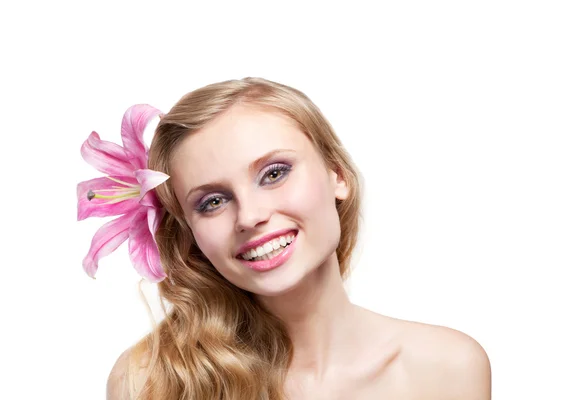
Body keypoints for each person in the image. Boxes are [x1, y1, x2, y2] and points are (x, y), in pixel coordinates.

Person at [82, 77, 490, 399]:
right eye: (213, 201)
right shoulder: (149, 382)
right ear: (189, 233)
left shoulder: (447, 369)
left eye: (274, 173)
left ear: (338, 175)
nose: (251, 216)